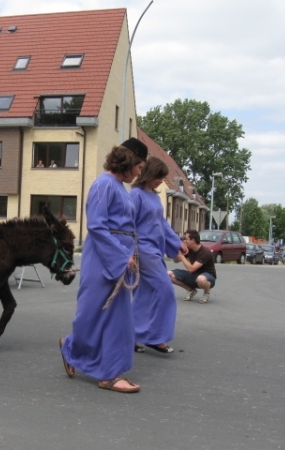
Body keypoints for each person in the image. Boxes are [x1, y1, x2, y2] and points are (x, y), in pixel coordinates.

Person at [59, 138, 147, 394]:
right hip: (103, 259)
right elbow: (96, 226)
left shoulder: (119, 187)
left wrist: (129, 255)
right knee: (93, 313)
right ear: (129, 161)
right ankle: (76, 350)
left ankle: (106, 371)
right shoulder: (104, 184)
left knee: (117, 319)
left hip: (120, 258)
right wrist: (122, 257)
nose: (140, 173)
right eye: (139, 166)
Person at [130, 157, 187, 354]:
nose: (161, 182)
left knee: (144, 295)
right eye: (159, 178)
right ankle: (155, 337)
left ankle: (133, 336)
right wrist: (130, 252)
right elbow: (128, 226)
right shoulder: (135, 195)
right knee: (165, 291)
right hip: (143, 251)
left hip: (155, 249)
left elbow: (161, 223)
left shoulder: (154, 197)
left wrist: (177, 243)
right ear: (150, 174)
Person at [168, 229, 217, 304]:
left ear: (193, 240)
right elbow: (176, 261)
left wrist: (182, 257)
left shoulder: (205, 252)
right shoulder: (189, 250)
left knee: (201, 279)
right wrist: (180, 251)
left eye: (186, 239)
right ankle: (191, 290)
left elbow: (191, 269)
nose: (185, 241)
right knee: (169, 274)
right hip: (194, 276)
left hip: (208, 277)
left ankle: (206, 292)